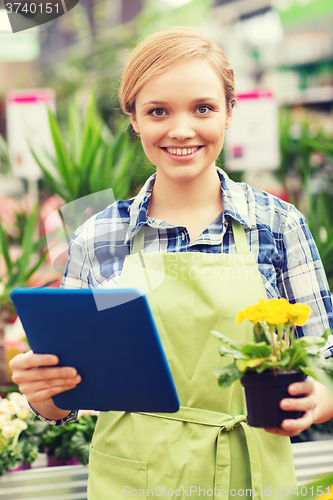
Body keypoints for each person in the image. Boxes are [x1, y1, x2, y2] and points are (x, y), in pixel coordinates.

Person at [10, 26, 333, 498]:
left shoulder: (278, 225)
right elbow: (71, 392)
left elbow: (325, 356)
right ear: (134, 119)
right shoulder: (96, 237)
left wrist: (320, 399)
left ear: (228, 114)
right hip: (134, 480)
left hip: (250, 474)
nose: (181, 129)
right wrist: (47, 395)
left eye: (203, 108)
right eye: (158, 111)